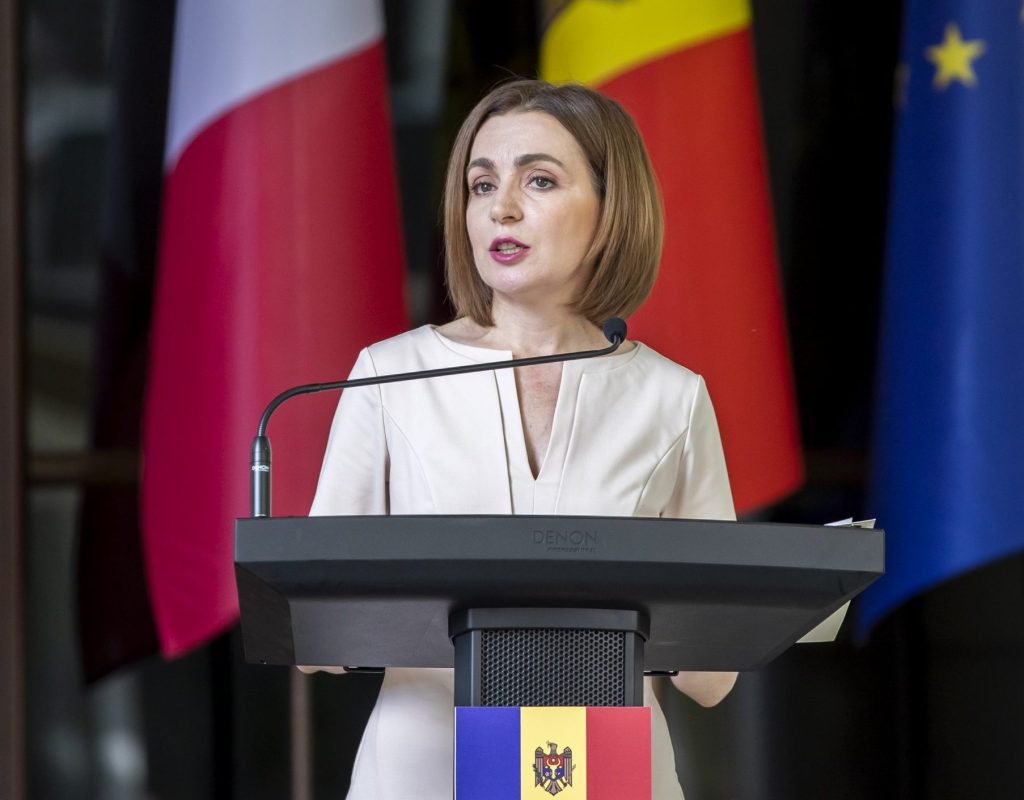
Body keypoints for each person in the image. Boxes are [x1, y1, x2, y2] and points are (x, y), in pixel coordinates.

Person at [309, 79, 738, 799]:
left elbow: (712, 673)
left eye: (538, 180)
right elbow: (315, 631)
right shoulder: (389, 374)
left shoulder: (673, 396)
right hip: (423, 772)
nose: (501, 208)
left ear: (611, 208)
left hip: (611, 773)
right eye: (481, 185)